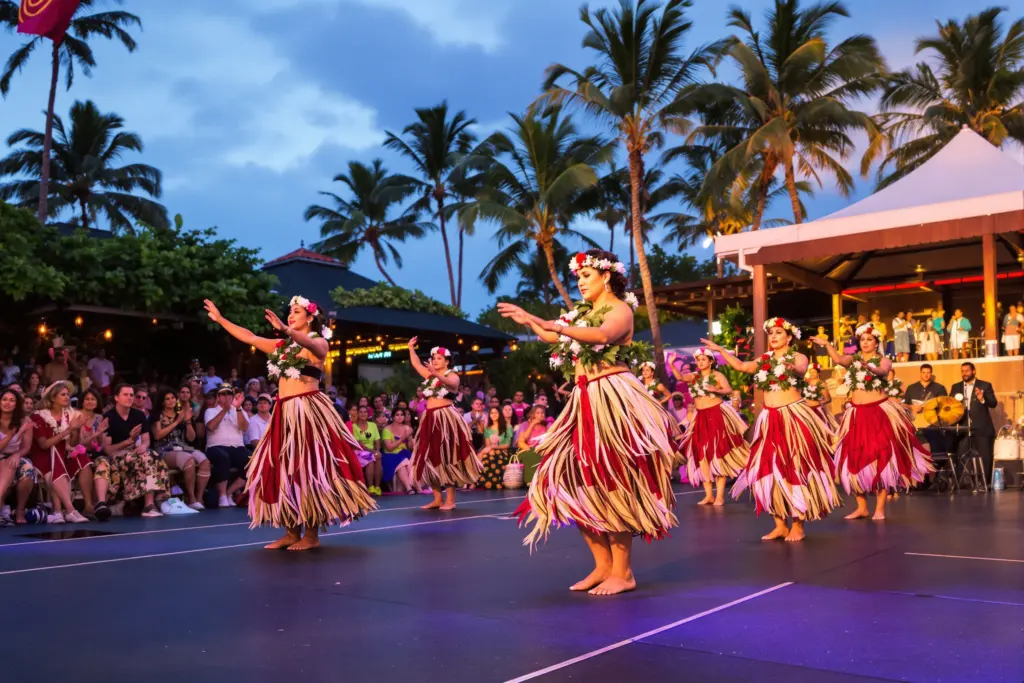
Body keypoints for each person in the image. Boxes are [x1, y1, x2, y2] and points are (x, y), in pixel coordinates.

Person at [498, 249, 678, 596]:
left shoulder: (619, 309)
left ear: (606, 276)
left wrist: (554, 323)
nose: (580, 282)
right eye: (577, 276)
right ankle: (602, 566)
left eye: (587, 276)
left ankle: (623, 573)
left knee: (611, 479)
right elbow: (557, 337)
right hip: (582, 402)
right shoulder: (583, 313)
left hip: (611, 401)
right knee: (568, 481)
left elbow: (602, 336)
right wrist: (530, 320)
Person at [204, 296, 375, 551]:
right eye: (290, 312)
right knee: (284, 468)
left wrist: (288, 331)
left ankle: (312, 534)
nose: (291, 315)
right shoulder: (283, 347)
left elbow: (315, 349)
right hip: (283, 413)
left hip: (307, 411)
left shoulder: (318, 342)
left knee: (310, 468)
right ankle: (291, 531)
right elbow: (250, 337)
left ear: (310, 318)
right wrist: (220, 320)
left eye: (296, 312)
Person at [703, 317, 840, 542]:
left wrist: (791, 367)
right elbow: (742, 366)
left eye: (778, 332)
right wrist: (720, 350)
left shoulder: (798, 356)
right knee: (766, 466)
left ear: (788, 337)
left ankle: (798, 523)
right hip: (769, 419)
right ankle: (779, 524)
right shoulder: (764, 359)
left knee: (794, 466)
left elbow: (800, 369)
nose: (774, 336)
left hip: (793, 416)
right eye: (771, 333)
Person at [816, 323, 933, 521]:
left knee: (880, 457)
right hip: (856, 414)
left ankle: (879, 508)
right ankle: (861, 507)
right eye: (862, 339)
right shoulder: (853, 360)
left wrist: (868, 366)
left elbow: (881, 371)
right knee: (852, 457)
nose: (866, 342)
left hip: (878, 413)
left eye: (870, 339)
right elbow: (837, 359)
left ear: (876, 342)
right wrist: (827, 344)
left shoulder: (883, 360)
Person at [407, 339, 481, 510]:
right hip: (429, 418)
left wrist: (435, 373)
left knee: (447, 456)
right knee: (429, 456)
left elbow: (452, 385)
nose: (435, 360)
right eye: (433, 358)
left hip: (445, 418)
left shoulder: (452, 374)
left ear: (447, 361)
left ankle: (450, 500)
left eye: (439, 358)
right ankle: (437, 498)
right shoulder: (430, 375)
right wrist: (411, 348)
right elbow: (416, 364)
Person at [675, 348, 749, 506]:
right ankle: (708, 495)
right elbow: (680, 377)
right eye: (698, 359)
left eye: (703, 359)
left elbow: (728, 390)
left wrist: (716, 389)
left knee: (717, 453)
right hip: (700, 417)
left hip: (715, 415)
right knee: (702, 454)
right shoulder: (695, 377)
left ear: (711, 361)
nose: (700, 362)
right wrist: (671, 365)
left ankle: (720, 496)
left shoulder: (717, 376)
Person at [31, 381, 93, 524]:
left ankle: (68, 509)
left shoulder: (68, 416)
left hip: (61, 455)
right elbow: (44, 445)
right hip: (43, 456)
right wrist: (69, 429)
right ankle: (68, 510)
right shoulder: (38, 416)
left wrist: (77, 428)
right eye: (63, 394)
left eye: (68, 395)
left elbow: (71, 444)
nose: (67, 397)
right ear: (52, 398)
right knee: (54, 467)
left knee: (82, 458)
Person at [151, 388, 209, 511]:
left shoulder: (181, 414)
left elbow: (191, 438)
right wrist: (177, 422)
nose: (171, 401)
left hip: (182, 447)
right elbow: (157, 435)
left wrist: (187, 422)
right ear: (162, 402)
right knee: (189, 460)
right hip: (164, 449)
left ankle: (199, 498)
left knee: (204, 460)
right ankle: (191, 498)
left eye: (172, 398)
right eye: (167, 399)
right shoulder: (157, 415)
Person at [204, 385, 251, 508]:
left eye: (229, 394)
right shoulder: (210, 411)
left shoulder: (240, 410)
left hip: (237, 446)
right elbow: (211, 427)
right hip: (216, 446)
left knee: (252, 461)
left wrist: (238, 408)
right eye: (223, 394)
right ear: (218, 397)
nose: (227, 397)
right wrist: (224, 410)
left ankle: (229, 492)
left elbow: (244, 428)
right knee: (222, 457)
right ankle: (222, 495)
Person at [950, 362, 998, 483]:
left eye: (967, 371)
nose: (964, 373)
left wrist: (982, 398)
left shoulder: (985, 385)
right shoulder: (956, 387)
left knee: (985, 457)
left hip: (982, 428)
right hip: (963, 428)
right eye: (962, 371)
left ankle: (985, 483)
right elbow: (950, 405)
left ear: (974, 371)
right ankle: (962, 483)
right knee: (960, 455)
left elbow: (993, 403)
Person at [0, 389, 37, 525]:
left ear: (17, 404)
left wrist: (16, 454)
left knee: (27, 470)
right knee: (7, 466)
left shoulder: (24, 421)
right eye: (4, 399)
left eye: (12, 400)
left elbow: (26, 447)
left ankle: (20, 510)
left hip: (17, 455)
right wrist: (10, 435)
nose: (7, 403)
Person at [351, 405, 382, 496]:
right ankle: (370, 486)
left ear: (368, 414)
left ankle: (377, 487)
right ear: (357, 413)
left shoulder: (373, 425)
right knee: (371, 458)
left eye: (365, 412)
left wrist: (378, 450)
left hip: (371, 450)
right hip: (358, 451)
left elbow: (377, 440)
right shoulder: (353, 426)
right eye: (361, 412)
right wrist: (372, 451)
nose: (363, 414)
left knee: (378, 457)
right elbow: (358, 443)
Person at [802, 363, 838, 432]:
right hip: (807, 410)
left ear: (818, 373)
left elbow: (827, 399)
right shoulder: (806, 382)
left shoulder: (821, 384)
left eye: (814, 372)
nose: (812, 374)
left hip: (817, 411)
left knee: (818, 430)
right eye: (810, 372)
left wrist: (817, 402)